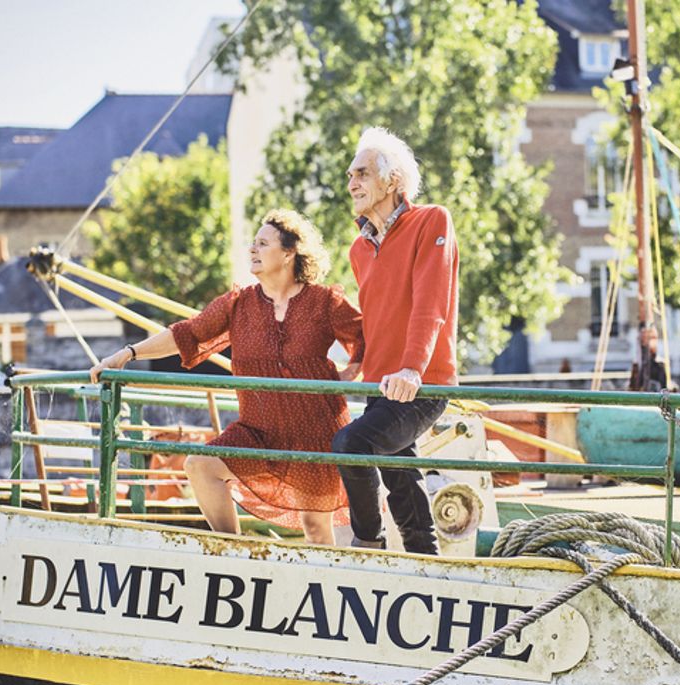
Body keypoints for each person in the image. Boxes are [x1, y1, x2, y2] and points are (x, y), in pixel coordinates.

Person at [88, 209, 364, 545]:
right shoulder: (238, 304)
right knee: (200, 467)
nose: (253, 249)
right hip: (258, 431)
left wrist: (353, 370)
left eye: (263, 243)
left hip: (315, 432)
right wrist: (128, 354)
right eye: (253, 243)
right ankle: (232, 552)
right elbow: (186, 333)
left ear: (290, 252)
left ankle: (322, 591)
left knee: (316, 528)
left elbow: (365, 337)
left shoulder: (324, 301)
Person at [332, 127, 459, 555]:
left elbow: (431, 302)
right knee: (401, 474)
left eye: (362, 173)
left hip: (423, 382)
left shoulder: (432, 220)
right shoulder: (358, 249)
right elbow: (377, 316)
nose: (352, 183)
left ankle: (368, 544)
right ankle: (426, 558)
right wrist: (358, 360)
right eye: (350, 174)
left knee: (353, 443)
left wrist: (412, 369)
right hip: (383, 383)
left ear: (393, 180)